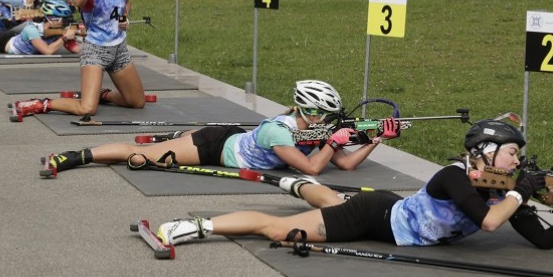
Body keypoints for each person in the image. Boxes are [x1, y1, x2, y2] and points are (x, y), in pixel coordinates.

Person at [154, 114, 553, 248]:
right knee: (278, 230)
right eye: (512, 153)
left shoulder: (500, 190)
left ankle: (301, 186)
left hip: (390, 215)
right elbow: (490, 223)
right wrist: (520, 191)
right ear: (486, 152)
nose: (518, 160)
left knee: (326, 200)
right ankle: (196, 226)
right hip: (374, 218)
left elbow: (542, 240)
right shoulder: (454, 177)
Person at [37, 80, 398, 209]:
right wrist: (334, 142)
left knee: (166, 148)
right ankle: (75, 156)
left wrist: (377, 139)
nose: (332, 122)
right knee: (141, 156)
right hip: (214, 146)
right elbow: (314, 169)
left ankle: (174, 139)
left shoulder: (312, 133)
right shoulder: (279, 132)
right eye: (329, 116)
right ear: (312, 112)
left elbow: (345, 164)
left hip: (233, 137)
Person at [9, 0, 145, 120]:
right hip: (95, 52)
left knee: (136, 101)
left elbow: (126, 2)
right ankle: (40, 104)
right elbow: (77, 2)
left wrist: (124, 18)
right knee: (87, 109)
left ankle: (102, 95)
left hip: (119, 49)